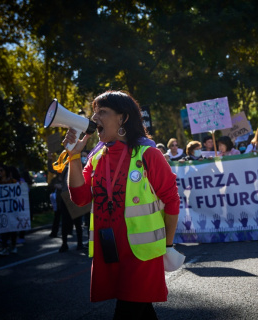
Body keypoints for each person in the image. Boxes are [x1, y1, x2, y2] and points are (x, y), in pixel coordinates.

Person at [63, 90, 180, 319]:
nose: (95, 119)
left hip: (142, 255)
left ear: (123, 118)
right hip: (111, 251)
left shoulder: (149, 155)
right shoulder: (96, 158)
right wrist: (74, 157)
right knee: (141, 311)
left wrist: (168, 245)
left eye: (102, 112)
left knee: (127, 312)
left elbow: (172, 201)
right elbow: (80, 198)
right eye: (95, 113)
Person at [0, 165, 18, 256]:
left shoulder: (12, 182)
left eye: (1, 170)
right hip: (1, 211)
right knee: (3, 230)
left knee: (12, 229)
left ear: (6, 171)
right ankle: (5, 248)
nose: (0, 172)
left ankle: (14, 246)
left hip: (11, 210)